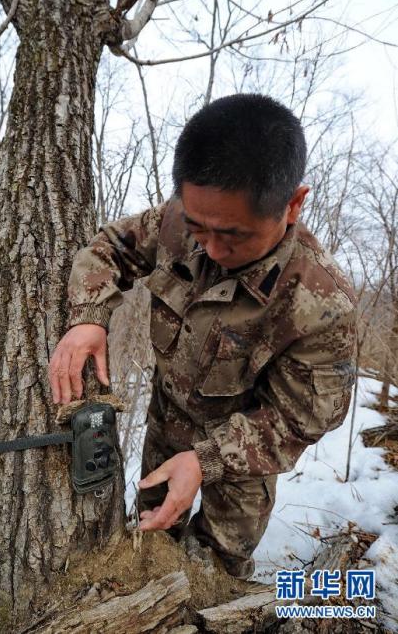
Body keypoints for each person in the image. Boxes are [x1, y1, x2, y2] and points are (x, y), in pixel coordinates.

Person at [49, 93, 357, 579]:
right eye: (199, 227)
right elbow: (110, 247)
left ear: (293, 204)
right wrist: (89, 315)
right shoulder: (178, 222)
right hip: (165, 430)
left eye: (233, 236)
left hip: (241, 466)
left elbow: (301, 419)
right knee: (146, 549)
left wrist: (208, 459)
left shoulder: (320, 304)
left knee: (209, 577)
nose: (211, 247)